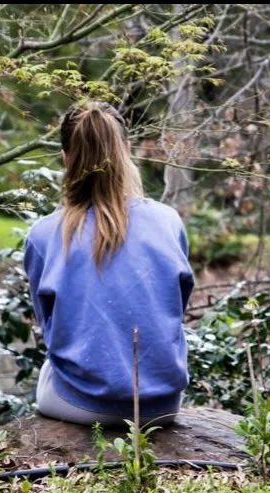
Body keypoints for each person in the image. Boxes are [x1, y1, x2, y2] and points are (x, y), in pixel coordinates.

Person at [25, 102, 193, 427]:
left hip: (83, 404)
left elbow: (51, 328)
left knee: (49, 370)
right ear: (126, 151)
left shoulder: (43, 234)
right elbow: (174, 308)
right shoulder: (168, 221)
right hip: (163, 404)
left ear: (66, 157)